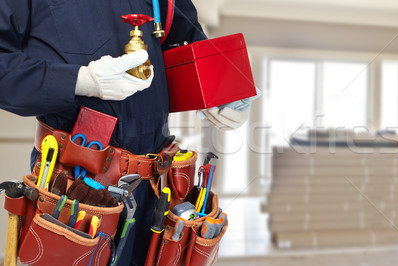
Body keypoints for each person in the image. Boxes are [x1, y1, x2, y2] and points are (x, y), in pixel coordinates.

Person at [0, 0, 256, 264]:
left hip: (160, 186)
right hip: (78, 186)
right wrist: (81, 81)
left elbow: (186, 39)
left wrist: (226, 88)